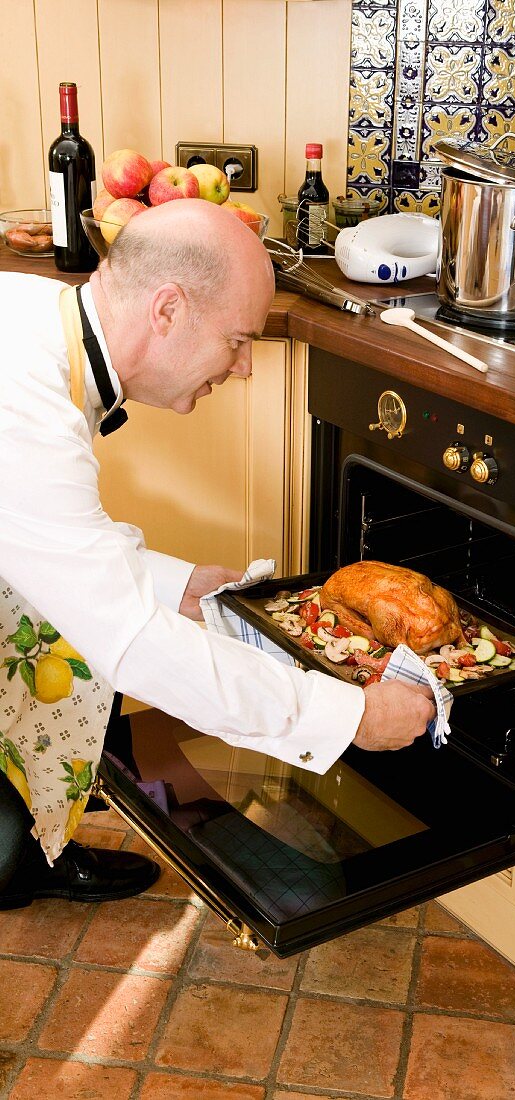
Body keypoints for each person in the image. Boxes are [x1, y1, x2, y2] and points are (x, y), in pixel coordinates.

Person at [0, 199, 435, 908]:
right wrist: (348, 716)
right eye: (238, 341)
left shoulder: (42, 324)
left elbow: (46, 533)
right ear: (166, 309)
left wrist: (176, 584)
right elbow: (133, 645)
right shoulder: (22, 402)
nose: (243, 369)